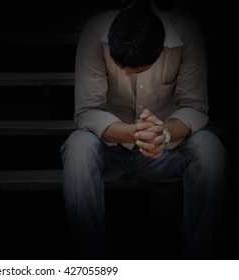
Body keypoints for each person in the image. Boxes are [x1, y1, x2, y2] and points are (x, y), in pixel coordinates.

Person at [61, 0, 227, 259]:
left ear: (161, 50)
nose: (125, 73)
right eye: (119, 66)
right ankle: (90, 263)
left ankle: (201, 262)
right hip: (110, 150)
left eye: (137, 69)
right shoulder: (95, 30)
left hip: (166, 152)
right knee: (78, 145)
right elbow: (86, 112)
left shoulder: (187, 32)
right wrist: (132, 133)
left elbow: (195, 107)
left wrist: (164, 133)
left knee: (210, 147)